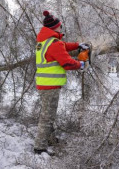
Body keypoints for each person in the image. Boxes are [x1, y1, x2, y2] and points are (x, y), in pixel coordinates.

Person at [34, 10, 90, 155]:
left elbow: (63, 46)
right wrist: (80, 65)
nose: (61, 27)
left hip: (43, 84)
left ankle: (50, 139)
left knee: (48, 114)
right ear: (54, 27)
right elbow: (66, 63)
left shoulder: (44, 42)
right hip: (50, 86)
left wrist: (78, 45)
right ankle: (39, 147)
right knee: (47, 116)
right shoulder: (54, 44)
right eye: (59, 26)